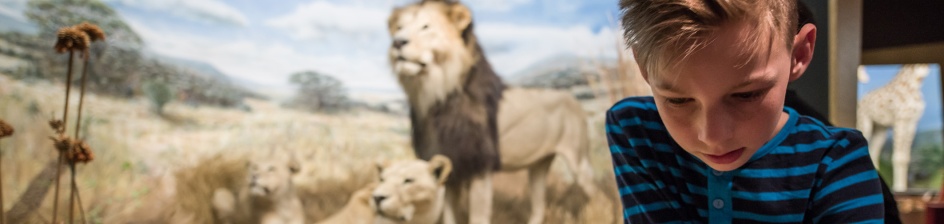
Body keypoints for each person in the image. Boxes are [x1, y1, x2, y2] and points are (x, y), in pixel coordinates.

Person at [607, 0, 885, 223]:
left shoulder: (838, 160)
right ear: (644, 69)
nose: (713, 136)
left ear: (797, 55)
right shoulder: (633, 131)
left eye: (746, 95)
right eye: (677, 100)